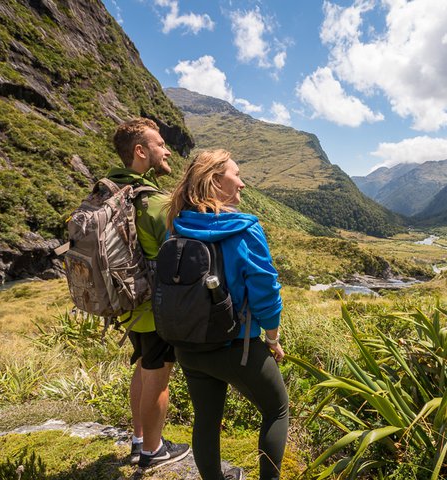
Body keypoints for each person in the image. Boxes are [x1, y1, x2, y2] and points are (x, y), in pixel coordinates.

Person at [165, 149, 288, 480]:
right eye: (237, 175)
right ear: (216, 181)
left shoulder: (175, 227)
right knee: (276, 410)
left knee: (206, 418)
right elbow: (265, 291)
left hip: (188, 347)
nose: (243, 183)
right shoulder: (244, 229)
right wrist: (272, 338)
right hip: (237, 346)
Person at [108, 118, 190, 470]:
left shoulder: (115, 191)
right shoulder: (154, 202)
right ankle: (153, 453)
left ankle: (140, 439)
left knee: (143, 368)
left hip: (128, 302)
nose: (167, 149)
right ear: (141, 151)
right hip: (155, 307)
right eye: (160, 144)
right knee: (157, 373)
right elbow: (182, 254)